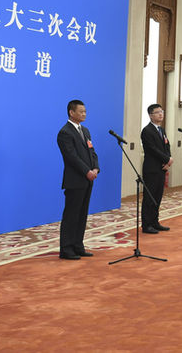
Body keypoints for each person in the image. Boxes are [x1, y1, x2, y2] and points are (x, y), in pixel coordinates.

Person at [56, 99, 99, 260]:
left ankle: (78, 245)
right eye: (81, 111)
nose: (84, 114)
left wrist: (95, 168)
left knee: (82, 214)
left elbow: (92, 152)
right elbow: (71, 157)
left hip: (88, 179)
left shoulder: (85, 130)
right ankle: (66, 249)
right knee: (71, 215)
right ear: (71, 112)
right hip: (75, 180)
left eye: (85, 111)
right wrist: (87, 171)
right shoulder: (65, 132)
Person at [141, 104, 172, 233]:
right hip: (152, 168)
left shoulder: (162, 130)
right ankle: (146, 224)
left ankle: (155, 221)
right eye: (157, 112)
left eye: (162, 111)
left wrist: (168, 159)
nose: (161, 114)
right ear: (150, 115)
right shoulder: (147, 131)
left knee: (158, 196)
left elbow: (167, 146)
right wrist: (166, 159)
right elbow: (152, 149)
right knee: (149, 197)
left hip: (162, 168)